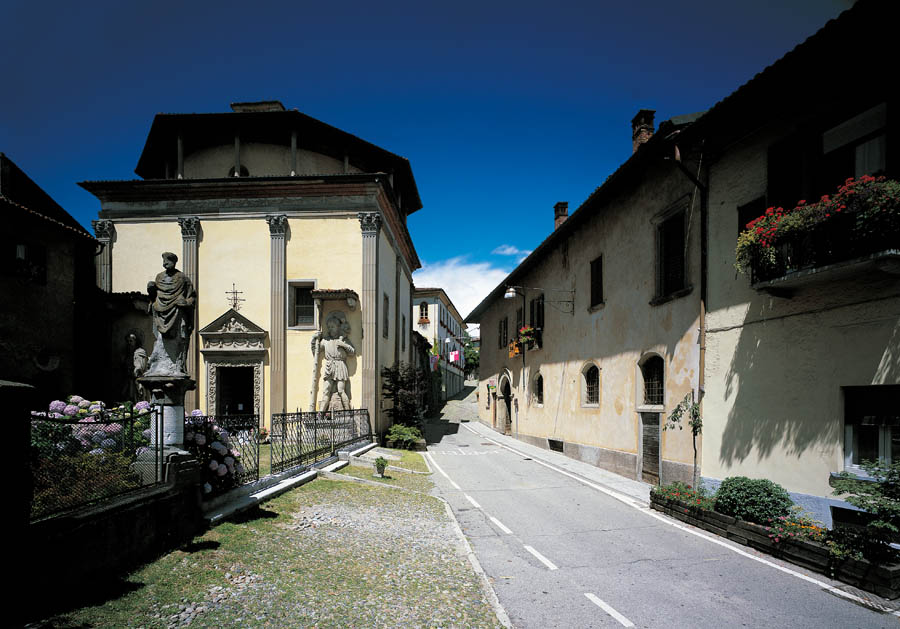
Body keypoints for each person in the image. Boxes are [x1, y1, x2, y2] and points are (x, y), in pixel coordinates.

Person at [146, 252, 196, 376]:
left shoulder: (183, 278)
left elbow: (192, 298)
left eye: (168, 260)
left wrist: (185, 302)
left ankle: (178, 364)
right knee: (160, 342)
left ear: (174, 262)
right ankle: (158, 365)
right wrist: (151, 290)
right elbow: (154, 297)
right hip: (160, 313)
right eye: (164, 260)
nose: (165, 263)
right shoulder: (159, 278)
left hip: (178, 315)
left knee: (180, 339)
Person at [311, 312, 355, 411]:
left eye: (333, 326)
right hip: (329, 365)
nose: (330, 328)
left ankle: (347, 412)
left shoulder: (343, 339)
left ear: (338, 327)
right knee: (326, 391)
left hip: (340, 365)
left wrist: (343, 345)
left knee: (341, 390)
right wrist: (314, 340)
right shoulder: (325, 340)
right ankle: (320, 415)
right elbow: (316, 351)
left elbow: (352, 352)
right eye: (329, 327)